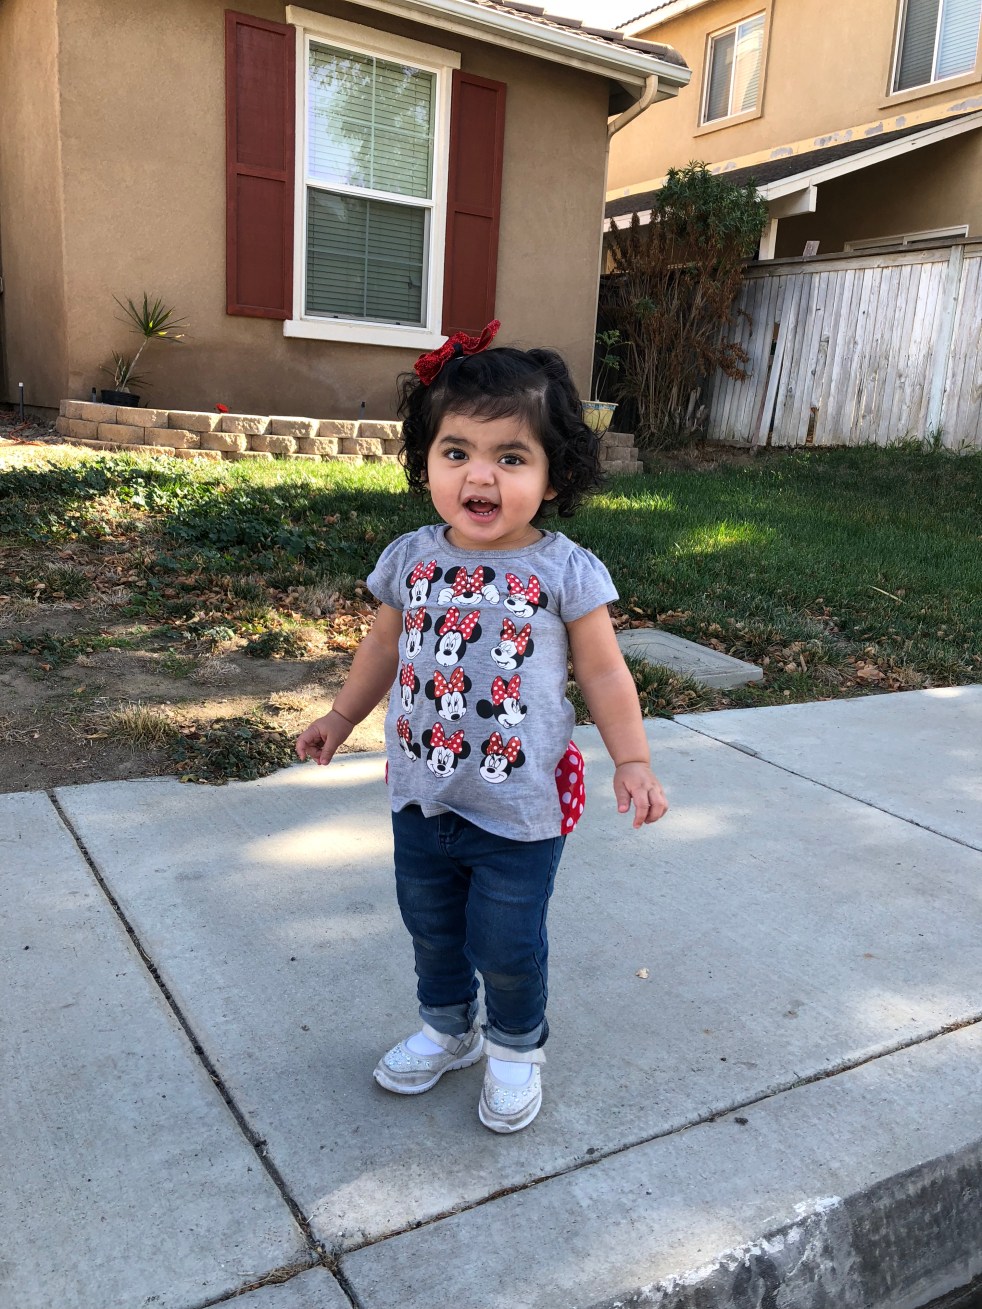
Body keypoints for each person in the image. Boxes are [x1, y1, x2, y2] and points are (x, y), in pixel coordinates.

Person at [295, 320, 668, 1133]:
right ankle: (448, 1027)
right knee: (431, 928)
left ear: (555, 472)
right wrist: (342, 714)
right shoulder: (412, 558)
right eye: (457, 451)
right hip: (421, 794)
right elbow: (382, 647)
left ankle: (515, 1044)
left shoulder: (564, 569)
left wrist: (632, 758)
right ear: (425, 461)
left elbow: (605, 673)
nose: (481, 476)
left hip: (517, 808)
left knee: (506, 940)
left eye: (512, 457)